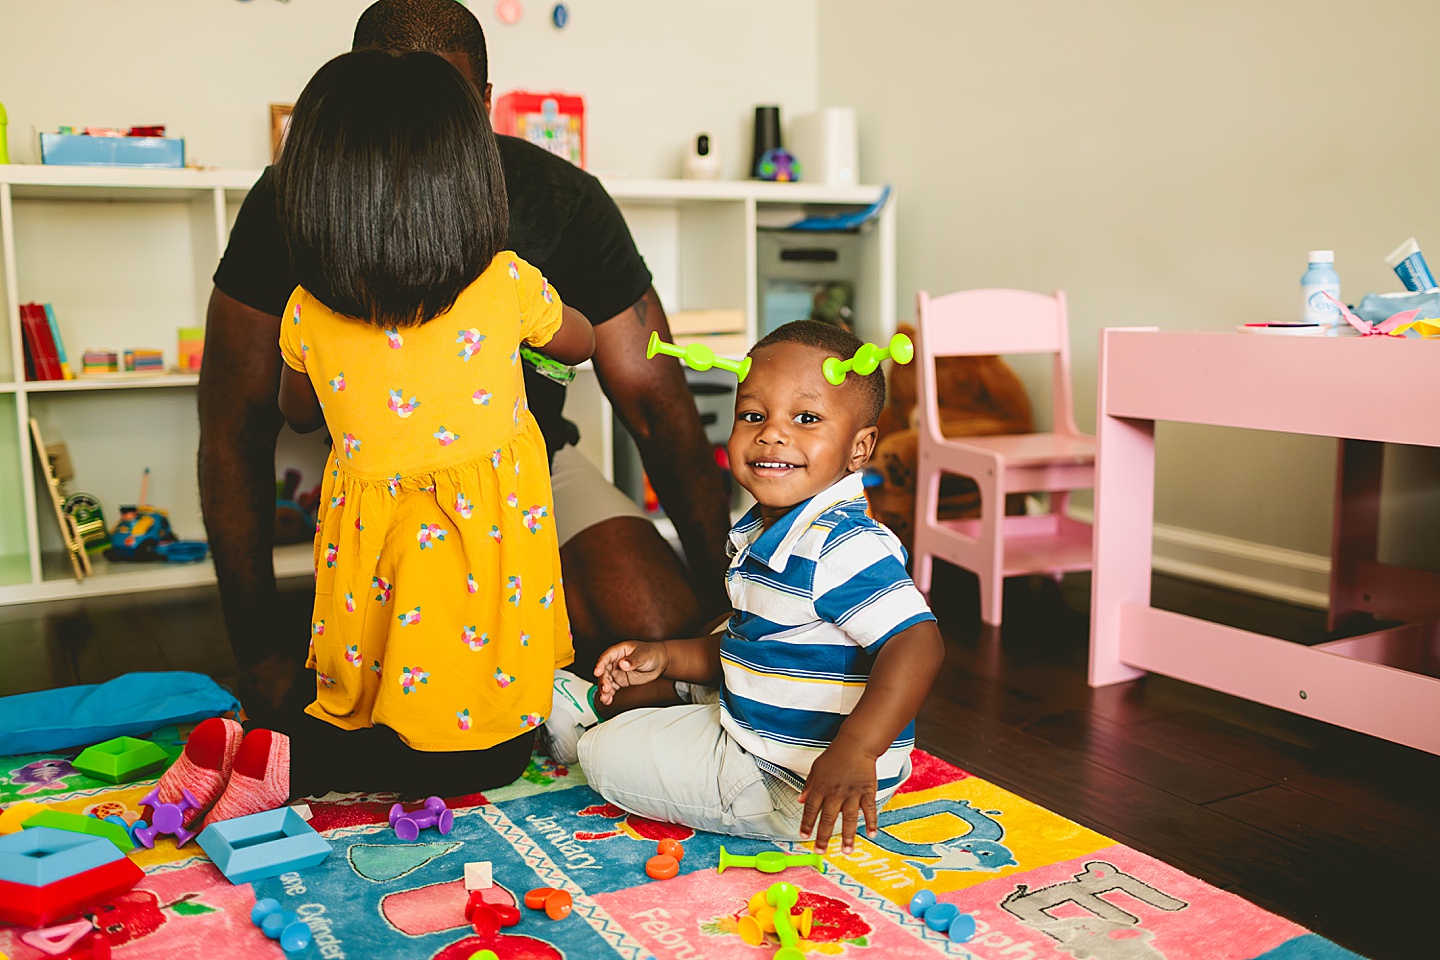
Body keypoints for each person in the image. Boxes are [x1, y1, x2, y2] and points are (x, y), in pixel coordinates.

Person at [200, 0, 731, 721]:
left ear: (483, 104)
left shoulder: (561, 203)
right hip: (376, 483)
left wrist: (736, 620)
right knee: (385, 685)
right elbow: (236, 417)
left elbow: (656, 405)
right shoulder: (291, 203)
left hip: (527, 471)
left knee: (657, 628)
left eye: (441, 104)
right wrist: (258, 653)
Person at [148, 49, 592, 827]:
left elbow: (296, 410)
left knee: (376, 704)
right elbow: (581, 342)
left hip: (374, 566)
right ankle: (291, 762)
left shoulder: (305, 312)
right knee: (489, 753)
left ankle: (255, 742)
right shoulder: (505, 283)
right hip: (477, 569)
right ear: (470, 184)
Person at [546, 321, 946, 855]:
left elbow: (918, 643)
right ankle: (631, 705)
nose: (772, 434)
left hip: (799, 787)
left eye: (806, 419)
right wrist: (664, 657)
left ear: (859, 448)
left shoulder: (842, 545)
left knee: (601, 755)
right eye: (753, 415)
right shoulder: (771, 528)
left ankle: (589, 724)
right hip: (779, 731)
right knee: (702, 647)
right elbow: (757, 640)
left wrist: (856, 752)